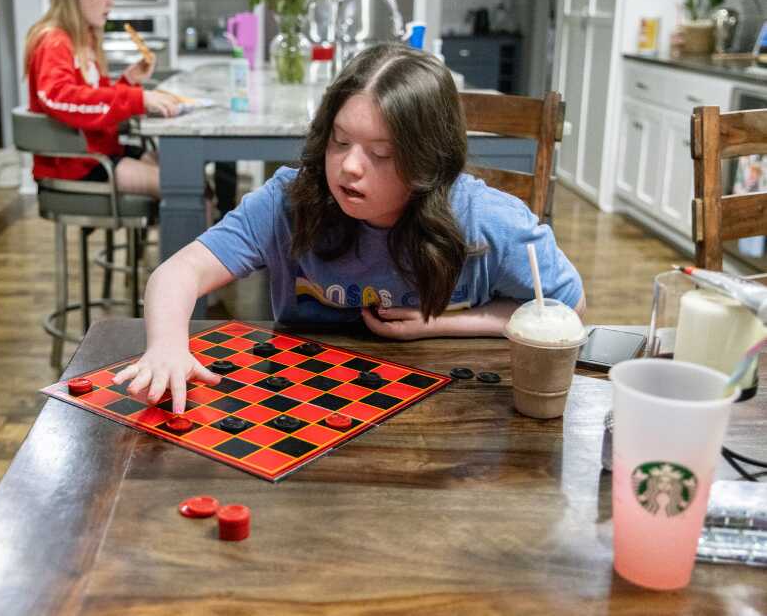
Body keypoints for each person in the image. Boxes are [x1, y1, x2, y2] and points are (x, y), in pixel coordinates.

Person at [114, 43, 586, 413]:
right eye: (339, 142)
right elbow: (178, 273)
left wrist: (441, 324)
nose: (350, 168)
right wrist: (167, 346)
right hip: (300, 402)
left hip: (451, 411)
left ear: (428, 161)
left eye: (380, 154)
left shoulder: (487, 219)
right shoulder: (289, 201)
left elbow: (569, 307)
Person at [24, 0, 181, 196]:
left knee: (184, 171)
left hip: (100, 153)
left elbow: (94, 101)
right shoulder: (54, 42)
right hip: (75, 164)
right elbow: (60, 98)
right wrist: (138, 98)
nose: (111, 1)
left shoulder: (84, 38)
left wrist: (129, 81)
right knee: (183, 187)